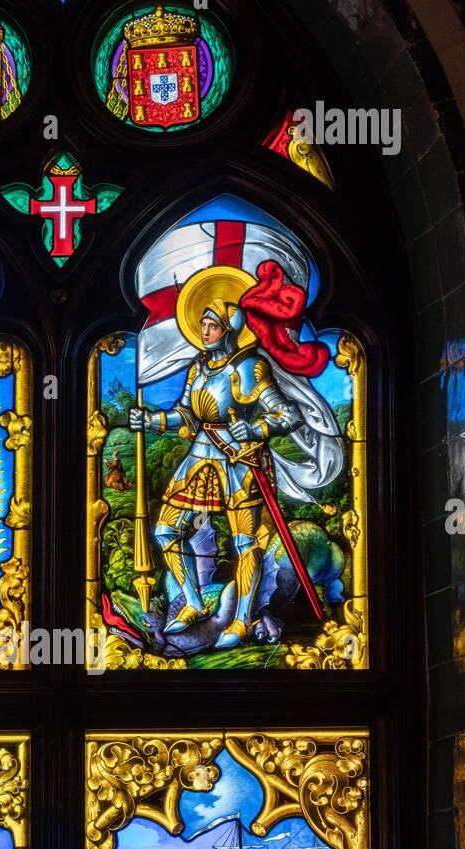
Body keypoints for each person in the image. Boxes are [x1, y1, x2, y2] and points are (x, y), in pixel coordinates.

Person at [129, 262, 343, 648]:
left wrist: (257, 429)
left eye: (211, 325)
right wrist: (151, 420)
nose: (203, 332)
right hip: (200, 458)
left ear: (228, 328)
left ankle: (241, 621)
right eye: (203, 326)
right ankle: (193, 602)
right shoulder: (198, 368)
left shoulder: (249, 368)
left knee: (245, 543)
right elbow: (186, 415)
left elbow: (286, 413)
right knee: (164, 530)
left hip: (240, 463)